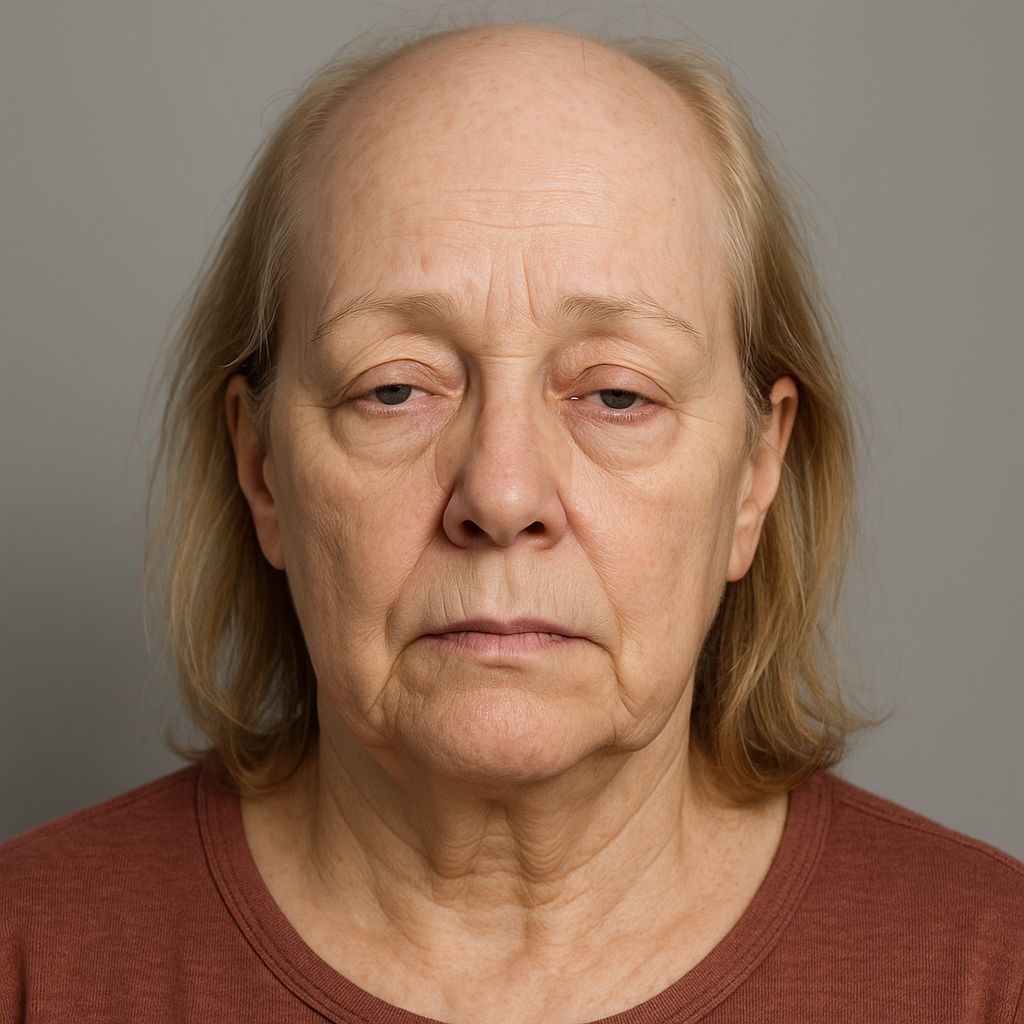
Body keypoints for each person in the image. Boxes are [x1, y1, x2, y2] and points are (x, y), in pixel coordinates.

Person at [2, 18, 1022, 1024]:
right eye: (394, 389)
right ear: (262, 468)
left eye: (616, 394)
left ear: (756, 473)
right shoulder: (27, 964)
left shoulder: (992, 980)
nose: (500, 495)